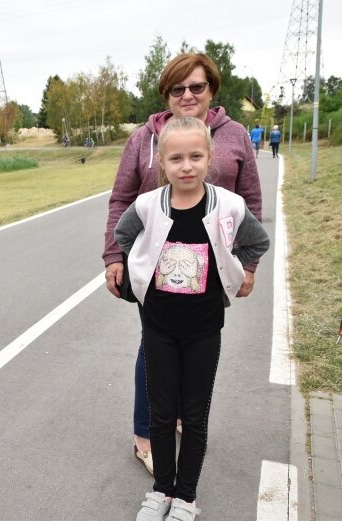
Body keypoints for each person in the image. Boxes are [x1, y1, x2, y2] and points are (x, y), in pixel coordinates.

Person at [102, 53, 262, 475]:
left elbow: (251, 204)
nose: (188, 95)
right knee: (152, 349)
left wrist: (249, 266)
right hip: (156, 267)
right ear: (166, 94)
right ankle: (145, 436)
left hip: (211, 272)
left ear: (212, 90)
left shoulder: (235, 136)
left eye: (197, 87)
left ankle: (179, 419)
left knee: (196, 349)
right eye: (178, 88)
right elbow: (121, 200)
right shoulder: (143, 139)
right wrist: (113, 256)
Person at [115, 117, 270, 521]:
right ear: (163, 163)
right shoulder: (148, 205)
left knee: (195, 415)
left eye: (195, 156)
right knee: (162, 414)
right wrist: (139, 272)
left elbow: (258, 240)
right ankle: (161, 490)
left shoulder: (228, 206)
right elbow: (123, 234)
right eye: (177, 158)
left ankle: (186, 497)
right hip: (158, 327)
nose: (187, 166)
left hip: (204, 328)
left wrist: (246, 271)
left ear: (210, 158)